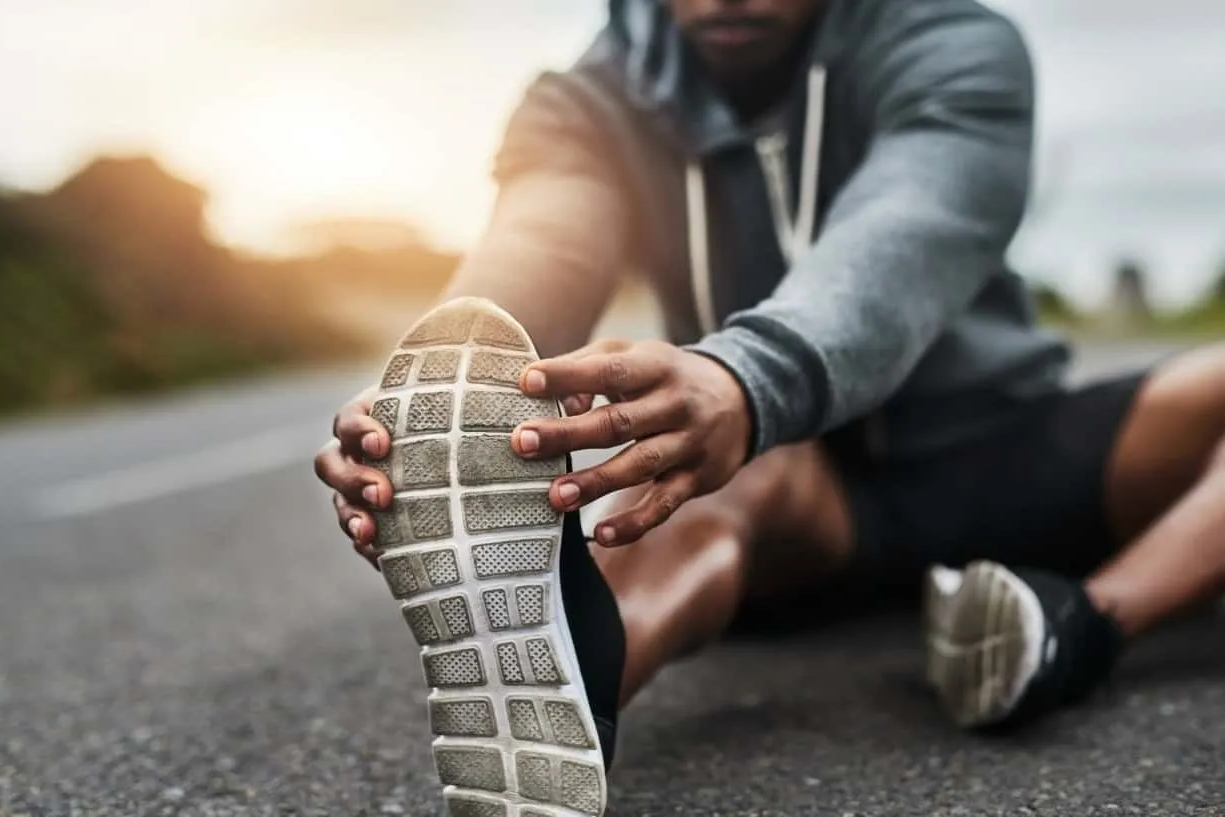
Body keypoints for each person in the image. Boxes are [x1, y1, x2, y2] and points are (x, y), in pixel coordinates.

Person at [314, 0, 1225, 813]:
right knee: (697, 480)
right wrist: (425, 398)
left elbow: (911, 224)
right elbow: (542, 241)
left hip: (1001, 448)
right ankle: (563, 692)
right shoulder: (590, 103)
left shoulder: (955, 43)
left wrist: (746, 377)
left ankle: (1081, 620)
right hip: (784, 480)